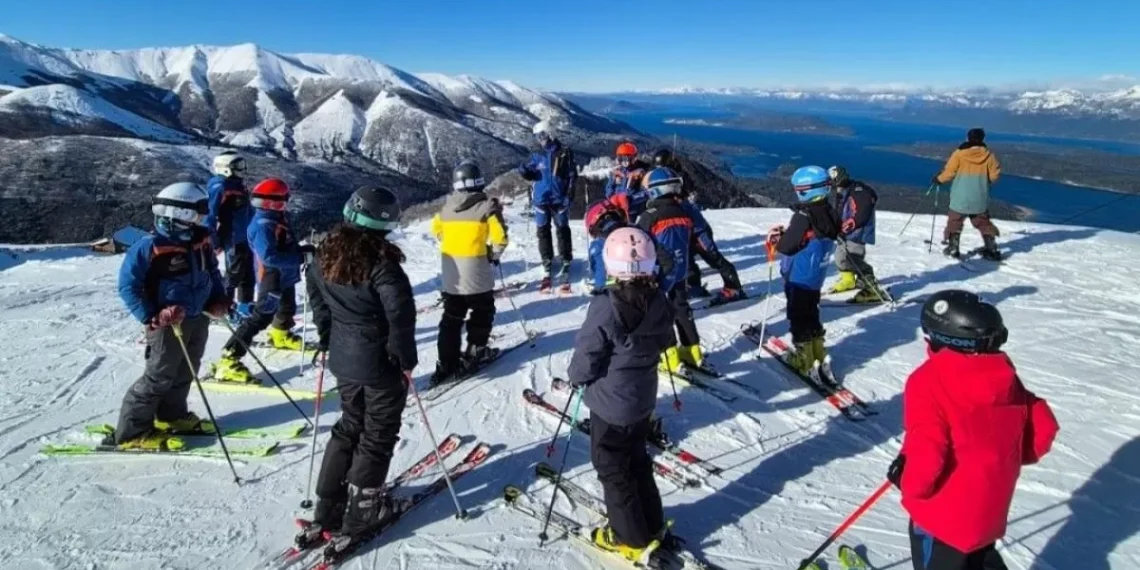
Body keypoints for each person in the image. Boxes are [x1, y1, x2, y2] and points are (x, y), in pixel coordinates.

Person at [889, 289, 1058, 570]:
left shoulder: (927, 381)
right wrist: (1003, 458)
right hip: (988, 513)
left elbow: (927, 455)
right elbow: (1043, 429)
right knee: (979, 559)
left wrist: (907, 481)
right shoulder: (1005, 377)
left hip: (942, 521)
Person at [299, 186, 417, 551]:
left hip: (343, 359)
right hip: (378, 362)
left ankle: (327, 506)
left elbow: (318, 301)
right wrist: (404, 356)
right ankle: (362, 511)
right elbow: (399, 312)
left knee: (350, 425)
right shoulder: (381, 263)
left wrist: (327, 338)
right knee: (377, 432)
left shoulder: (325, 254)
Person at [567, 226, 676, 562]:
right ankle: (653, 524)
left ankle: (631, 538)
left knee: (613, 468)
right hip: (641, 400)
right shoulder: (659, 299)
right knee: (637, 460)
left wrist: (576, 378)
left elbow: (588, 353)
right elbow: (666, 340)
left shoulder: (606, 305)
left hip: (611, 405)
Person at [110, 182, 229, 449]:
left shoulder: (200, 240)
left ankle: (171, 416)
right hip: (167, 324)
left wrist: (217, 299)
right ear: (180, 213)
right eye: (197, 213)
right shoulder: (150, 246)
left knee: (186, 370)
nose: (201, 219)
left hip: (197, 317)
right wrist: (153, 314)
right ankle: (132, 432)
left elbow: (211, 272)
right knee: (159, 376)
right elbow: (128, 286)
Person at [213, 178, 312, 383]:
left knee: (287, 306)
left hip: (284, 275)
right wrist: (300, 258)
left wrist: (302, 251)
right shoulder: (263, 225)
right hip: (271, 277)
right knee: (261, 316)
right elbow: (269, 257)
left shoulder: (275, 219)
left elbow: (284, 245)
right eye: (283, 201)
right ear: (272, 203)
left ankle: (280, 333)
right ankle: (229, 357)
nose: (285, 204)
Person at [429, 160, 509, 383]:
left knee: (451, 318)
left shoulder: (446, 208)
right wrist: (492, 255)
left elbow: (435, 229)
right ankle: (474, 353)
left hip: (451, 276)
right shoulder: (487, 207)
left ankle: (446, 362)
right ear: (479, 182)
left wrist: (450, 241)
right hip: (477, 275)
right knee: (482, 312)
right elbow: (501, 239)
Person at [767, 165, 841, 374]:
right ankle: (818, 350)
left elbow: (787, 247)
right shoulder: (830, 211)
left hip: (799, 275)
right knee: (811, 311)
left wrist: (777, 239)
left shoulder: (804, 215)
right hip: (816, 276)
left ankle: (804, 358)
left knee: (798, 314)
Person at [637, 167, 701, 374]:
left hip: (659, 272)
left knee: (660, 312)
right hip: (681, 269)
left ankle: (669, 356)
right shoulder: (684, 212)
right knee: (681, 307)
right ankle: (693, 351)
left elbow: (640, 243)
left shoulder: (649, 216)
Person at [519, 128, 577, 289]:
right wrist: (524, 171)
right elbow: (531, 173)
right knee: (543, 230)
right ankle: (547, 259)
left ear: (551, 134)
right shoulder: (537, 154)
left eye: (543, 135)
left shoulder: (564, 153)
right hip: (541, 199)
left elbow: (572, 176)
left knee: (562, 229)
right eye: (538, 137)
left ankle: (565, 258)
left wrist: (569, 196)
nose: (541, 140)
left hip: (559, 199)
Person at [933, 128, 1002, 260]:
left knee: (955, 221)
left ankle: (953, 248)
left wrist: (938, 179)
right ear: (982, 139)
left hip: (960, 196)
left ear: (968, 138)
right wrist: (983, 182)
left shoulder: (959, 154)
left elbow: (949, 173)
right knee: (983, 222)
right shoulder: (989, 156)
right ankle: (991, 249)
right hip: (979, 196)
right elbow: (994, 176)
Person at [204, 150, 255, 323]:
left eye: (242, 165)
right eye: (237, 166)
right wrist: (214, 241)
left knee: (247, 273)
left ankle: (245, 305)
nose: (242, 170)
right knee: (234, 274)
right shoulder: (220, 187)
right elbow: (209, 216)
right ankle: (223, 308)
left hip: (245, 236)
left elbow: (247, 211)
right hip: (233, 237)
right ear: (225, 168)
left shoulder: (237, 185)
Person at [826, 165, 889, 303]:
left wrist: (850, 224)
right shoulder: (843, 191)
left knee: (852, 259)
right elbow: (839, 211)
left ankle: (871, 288)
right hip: (846, 232)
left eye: (833, 180)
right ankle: (848, 280)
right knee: (840, 257)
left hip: (857, 233)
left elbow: (863, 212)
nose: (832, 184)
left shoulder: (858, 191)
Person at [681, 198, 744, 302]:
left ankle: (733, 288)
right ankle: (694, 286)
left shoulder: (681, 202)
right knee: (687, 261)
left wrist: (705, 242)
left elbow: (698, 222)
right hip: (686, 235)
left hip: (699, 233)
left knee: (714, 258)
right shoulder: (670, 200)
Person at [584, 199, 631, 294]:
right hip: (640, 285)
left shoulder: (598, 245)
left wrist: (600, 287)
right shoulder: (633, 232)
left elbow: (597, 266)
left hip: (611, 291)